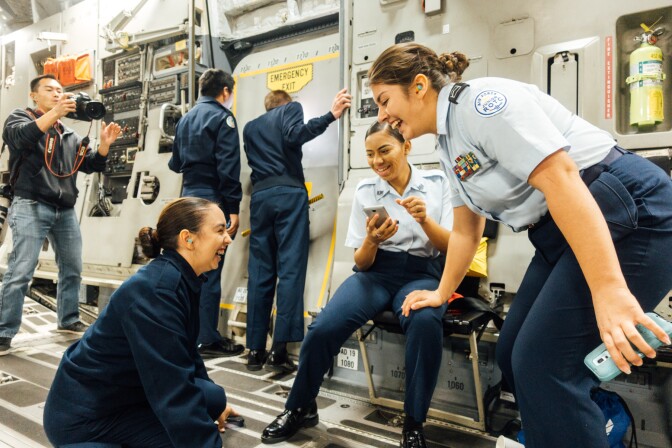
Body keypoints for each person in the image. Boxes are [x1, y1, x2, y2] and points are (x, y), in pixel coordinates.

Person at [367, 42, 672, 448]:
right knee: (513, 353)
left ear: (419, 86)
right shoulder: (446, 142)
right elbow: (466, 230)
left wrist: (609, 288)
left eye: (384, 100)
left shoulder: (481, 105)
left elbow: (561, 177)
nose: (381, 115)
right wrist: (440, 293)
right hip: (562, 228)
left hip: (628, 213)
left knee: (544, 365)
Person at [261, 122, 453, 447]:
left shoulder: (437, 185)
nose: (377, 161)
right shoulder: (366, 191)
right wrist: (372, 241)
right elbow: (361, 262)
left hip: (423, 273)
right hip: (377, 273)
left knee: (424, 322)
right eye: (370, 154)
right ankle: (300, 406)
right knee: (323, 327)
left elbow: (450, 245)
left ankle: (413, 423)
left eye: (384, 151)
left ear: (406, 147)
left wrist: (425, 220)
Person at [43, 197, 240, 447]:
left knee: (213, 398)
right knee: (181, 434)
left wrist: (212, 408)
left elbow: (186, 355)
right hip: (87, 417)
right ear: (188, 239)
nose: (228, 239)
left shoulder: (182, 278)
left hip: (127, 393)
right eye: (220, 231)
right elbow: (172, 390)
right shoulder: (157, 292)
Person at [0, 74, 122, 356]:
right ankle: (4, 331)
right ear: (34, 95)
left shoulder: (68, 134)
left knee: (72, 268)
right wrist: (54, 113)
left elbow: (89, 165)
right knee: (21, 271)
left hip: (64, 209)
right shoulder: (19, 117)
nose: (57, 94)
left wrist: (104, 145)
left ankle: (68, 320)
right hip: (31, 204)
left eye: (60, 90)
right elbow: (20, 138)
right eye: (50, 90)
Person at [242, 88, 351, 371]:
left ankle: (254, 351)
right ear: (284, 104)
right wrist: (331, 116)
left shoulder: (250, 128)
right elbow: (294, 135)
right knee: (290, 268)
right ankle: (279, 351)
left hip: (260, 199)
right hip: (288, 194)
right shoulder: (290, 109)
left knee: (260, 272)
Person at [169, 68, 244, 358]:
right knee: (211, 266)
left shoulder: (185, 119)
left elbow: (175, 164)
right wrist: (233, 208)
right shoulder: (222, 118)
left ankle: (188, 334)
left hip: (186, 196)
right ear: (225, 91)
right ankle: (208, 338)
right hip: (211, 198)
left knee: (188, 267)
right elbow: (228, 167)